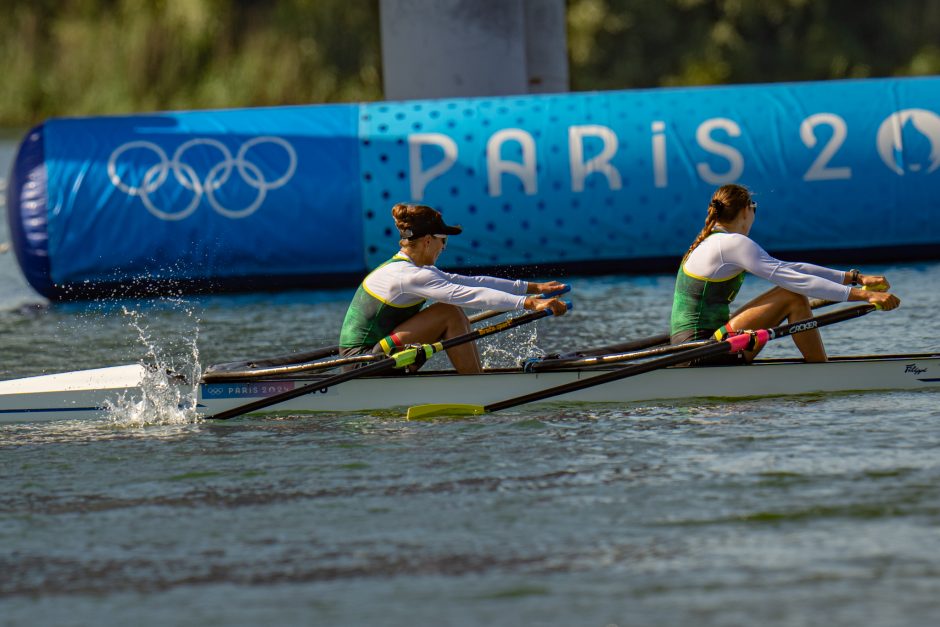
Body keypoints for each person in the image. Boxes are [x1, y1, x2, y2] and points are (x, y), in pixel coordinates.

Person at [670, 184, 901, 364]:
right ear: (744, 211)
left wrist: (856, 279)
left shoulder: (711, 241)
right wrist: (866, 296)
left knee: (793, 291)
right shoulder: (732, 244)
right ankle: (822, 373)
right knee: (793, 295)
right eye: (754, 209)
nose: (754, 215)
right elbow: (797, 280)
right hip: (702, 352)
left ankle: (820, 368)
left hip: (694, 348)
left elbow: (792, 269)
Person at [339, 203, 568, 373]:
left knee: (452, 312)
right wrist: (531, 303)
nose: (444, 248)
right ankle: (475, 387)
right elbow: (471, 295)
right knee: (448, 312)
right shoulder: (408, 275)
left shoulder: (412, 270)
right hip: (363, 363)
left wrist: (534, 287)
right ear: (428, 240)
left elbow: (474, 283)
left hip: (375, 356)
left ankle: (474, 381)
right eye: (444, 241)